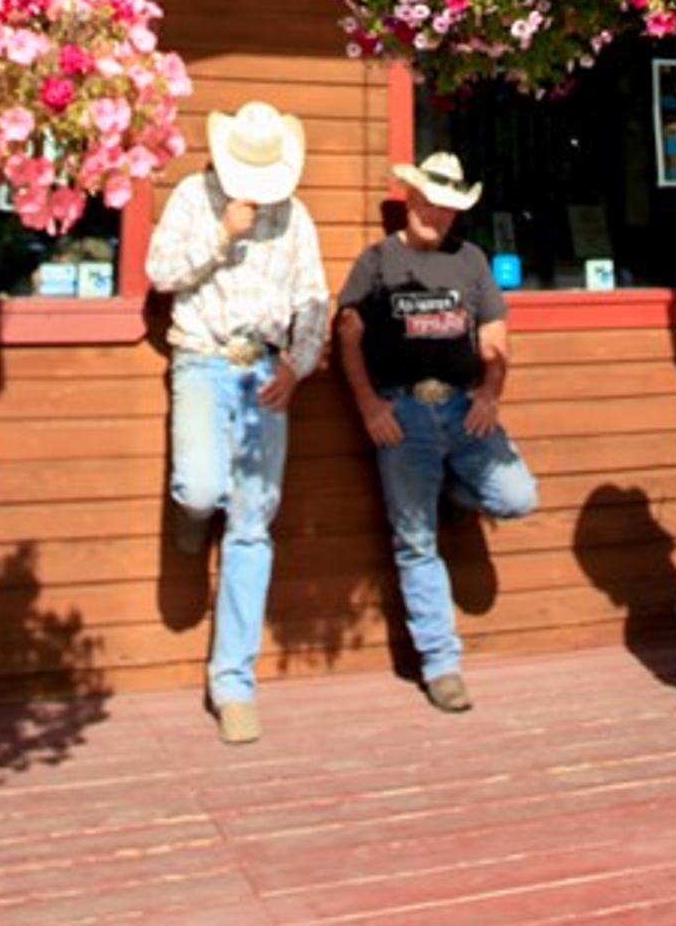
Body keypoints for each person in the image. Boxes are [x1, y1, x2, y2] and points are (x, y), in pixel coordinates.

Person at [146, 100, 330, 745]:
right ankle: (196, 514)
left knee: (253, 525)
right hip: (201, 358)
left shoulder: (295, 215)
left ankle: (233, 683)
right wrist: (221, 234)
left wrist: (298, 365)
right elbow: (160, 272)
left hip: (262, 368)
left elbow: (313, 297)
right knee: (199, 488)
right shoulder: (193, 198)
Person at [336, 151, 539, 713]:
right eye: (430, 203)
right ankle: (441, 665)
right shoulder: (377, 261)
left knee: (518, 497)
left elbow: (495, 335)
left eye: (448, 207)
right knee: (415, 542)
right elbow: (347, 335)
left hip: (462, 410)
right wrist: (369, 406)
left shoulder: (470, 261)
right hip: (402, 414)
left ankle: (456, 492)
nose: (437, 215)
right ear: (410, 199)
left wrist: (490, 392)